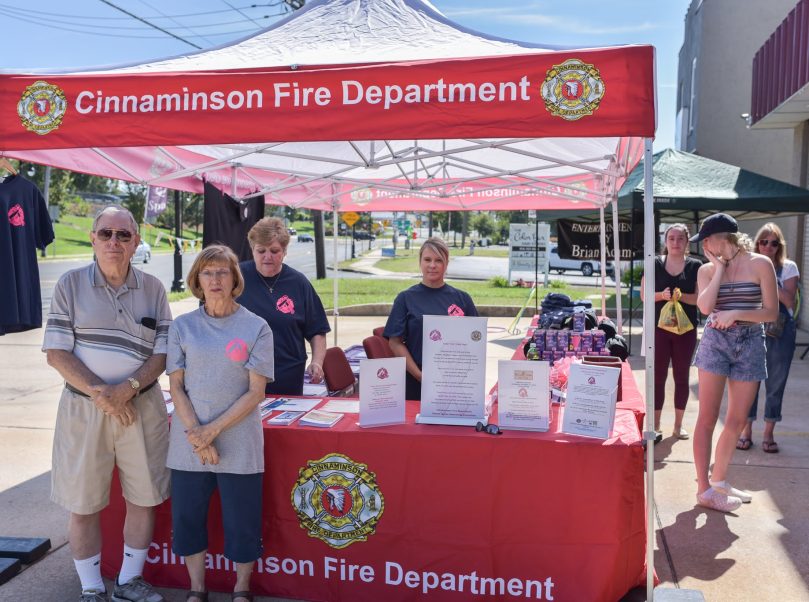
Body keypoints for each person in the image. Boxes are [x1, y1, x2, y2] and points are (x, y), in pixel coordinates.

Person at [42, 205, 172, 602]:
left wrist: (127, 389)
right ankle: (91, 588)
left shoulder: (153, 288)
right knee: (82, 503)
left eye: (123, 235)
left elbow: (163, 353)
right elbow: (56, 353)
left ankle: (128, 582)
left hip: (142, 406)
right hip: (85, 409)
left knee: (144, 498)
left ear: (136, 242)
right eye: (106, 234)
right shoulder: (69, 284)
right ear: (92, 238)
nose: (114, 242)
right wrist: (107, 395)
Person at [166, 245, 274, 602]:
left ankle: (241, 588)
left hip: (240, 441)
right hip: (188, 441)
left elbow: (256, 391)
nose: (215, 279)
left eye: (222, 272)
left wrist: (210, 432)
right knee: (186, 520)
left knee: (242, 522)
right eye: (207, 272)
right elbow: (177, 386)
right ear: (197, 280)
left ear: (234, 279)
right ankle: (198, 589)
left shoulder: (256, 327)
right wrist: (199, 438)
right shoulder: (181, 326)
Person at [691, 213, 778, 512]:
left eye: (706, 239)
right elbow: (704, 307)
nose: (703, 245)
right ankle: (703, 488)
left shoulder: (760, 263)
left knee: (738, 420)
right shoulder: (705, 269)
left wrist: (735, 313)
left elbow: (771, 312)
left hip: (751, 341)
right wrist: (717, 269)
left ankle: (718, 481)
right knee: (706, 417)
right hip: (716, 342)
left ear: (724, 237)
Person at [237, 217, 329, 395]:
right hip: (242, 376)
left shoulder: (298, 282)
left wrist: (317, 362)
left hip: (288, 375)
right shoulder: (236, 278)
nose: (267, 257)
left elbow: (317, 329)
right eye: (261, 251)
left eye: (274, 251)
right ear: (252, 250)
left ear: (285, 251)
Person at [384, 237, 479, 401]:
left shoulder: (462, 299)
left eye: (438, 260)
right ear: (420, 262)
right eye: (427, 259)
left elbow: (476, 339)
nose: (432, 265)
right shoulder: (405, 298)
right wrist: (420, 376)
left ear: (446, 264)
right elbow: (395, 342)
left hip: (456, 380)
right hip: (416, 379)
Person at [738, 223, 799, 453]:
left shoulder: (788, 267)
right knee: (749, 382)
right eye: (764, 241)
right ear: (757, 243)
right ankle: (746, 431)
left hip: (780, 332)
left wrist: (769, 275)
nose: (768, 246)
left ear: (779, 246)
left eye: (774, 243)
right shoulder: (748, 265)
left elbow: (789, 301)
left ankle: (768, 432)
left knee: (775, 384)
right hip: (752, 328)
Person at [640, 224, 700, 442]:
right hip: (659, 329)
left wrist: (680, 296)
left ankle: (678, 425)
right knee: (658, 377)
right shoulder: (654, 264)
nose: (676, 243)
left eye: (680, 239)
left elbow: (699, 300)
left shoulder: (696, 266)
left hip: (686, 331)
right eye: (671, 238)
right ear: (665, 241)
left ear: (687, 242)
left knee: (682, 377)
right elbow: (645, 295)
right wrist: (662, 296)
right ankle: (655, 425)